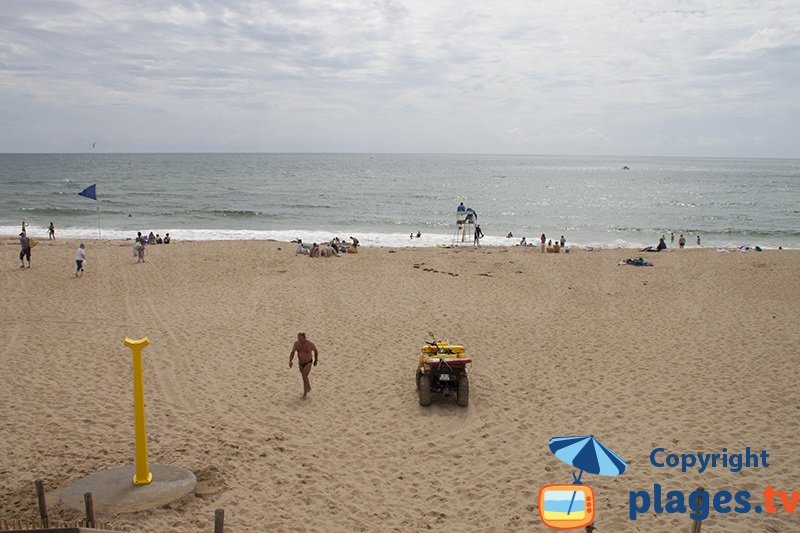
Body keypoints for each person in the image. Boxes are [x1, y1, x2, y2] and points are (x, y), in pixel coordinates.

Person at [289, 332, 318, 398]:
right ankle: (308, 388)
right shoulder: (296, 344)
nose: (299, 341)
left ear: (304, 338)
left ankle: (305, 394)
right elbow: (292, 352)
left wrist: (316, 360)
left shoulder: (309, 344)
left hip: (308, 362)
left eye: (301, 339)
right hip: (301, 363)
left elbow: (316, 351)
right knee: (304, 377)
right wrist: (290, 361)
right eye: (298, 339)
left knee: (304, 376)